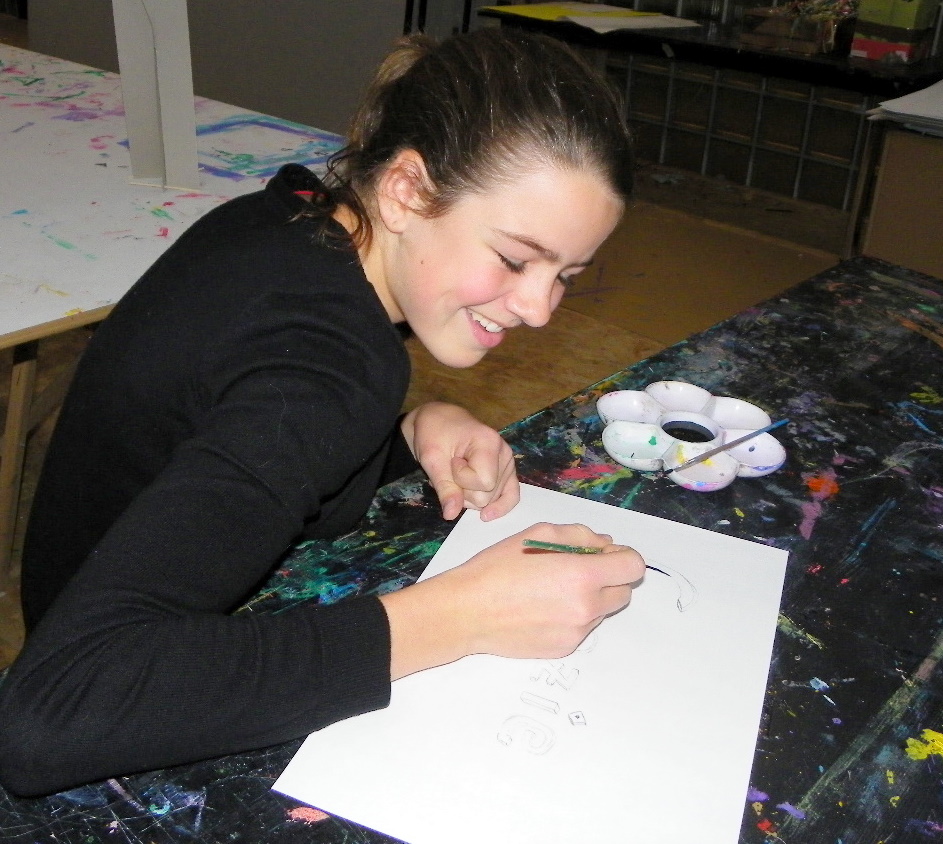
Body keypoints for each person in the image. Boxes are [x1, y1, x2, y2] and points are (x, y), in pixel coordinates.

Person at [0, 28, 645, 797]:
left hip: (82, 590)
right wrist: (462, 616)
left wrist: (406, 429)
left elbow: (254, 407)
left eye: (565, 274)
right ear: (405, 191)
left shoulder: (289, 215)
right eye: (514, 258)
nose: (539, 309)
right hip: (124, 667)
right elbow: (49, 714)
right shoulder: (334, 369)